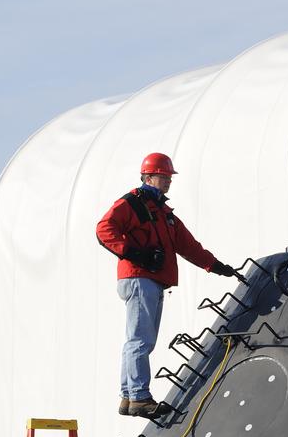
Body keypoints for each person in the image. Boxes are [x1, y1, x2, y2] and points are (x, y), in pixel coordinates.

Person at [96, 152, 237, 417]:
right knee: (140, 341)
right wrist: (138, 254)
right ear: (147, 176)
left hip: (148, 280)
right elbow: (104, 229)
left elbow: (188, 246)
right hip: (139, 278)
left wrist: (216, 266)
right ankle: (138, 396)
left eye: (169, 178)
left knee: (137, 340)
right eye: (163, 177)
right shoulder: (133, 203)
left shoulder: (163, 212)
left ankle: (129, 396)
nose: (167, 182)